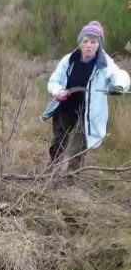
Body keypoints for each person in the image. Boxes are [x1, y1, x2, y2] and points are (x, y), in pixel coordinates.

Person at [41, 21, 130, 172]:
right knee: (58, 140)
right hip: (66, 106)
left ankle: (72, 177)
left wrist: (119, 86)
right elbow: (54, 81)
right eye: (85, 41)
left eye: (93, 42)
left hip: (89, 112)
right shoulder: (69, 59)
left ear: (99, 44)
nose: (89, 45)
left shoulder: (105, 63)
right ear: (80, 42)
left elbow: (120, 75)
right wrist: (58, 91)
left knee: (79, 146)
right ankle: (52, 169)